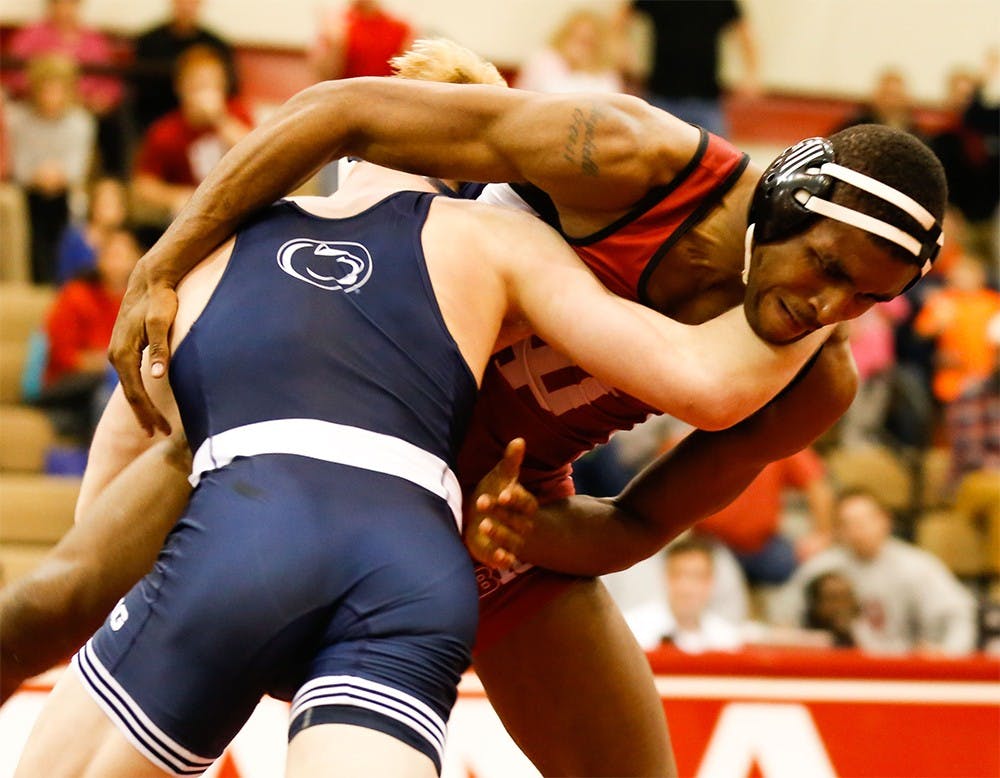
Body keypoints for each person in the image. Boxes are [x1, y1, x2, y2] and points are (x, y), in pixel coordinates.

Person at [44, 56, 950, 775]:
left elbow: (639, 521)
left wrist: (531, 529)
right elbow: (338, 112)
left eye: (868, 300)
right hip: (330, 431)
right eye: (827, 268)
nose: (827, 308)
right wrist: (160, 264)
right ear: (787, 200)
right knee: (64, 601)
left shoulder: (815, 379)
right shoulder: (630, 157)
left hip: (482, 519)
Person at [776, 489, 977, 654]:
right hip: (842, 668)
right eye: (848, 524)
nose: (857, 530)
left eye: (864, 522)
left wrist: (949, 652)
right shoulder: (822, 567)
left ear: (884, 521)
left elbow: (958, 615)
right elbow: (783, 615)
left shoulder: (917, 566)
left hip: (904, 667)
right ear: (839, 530)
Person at [36, 228, 139, 442]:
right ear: (99, 259)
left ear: (137, 259)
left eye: (123, 255)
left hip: (119, 383)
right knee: (107, 395)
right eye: (112, 254)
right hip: (69, 388)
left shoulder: (141, 302)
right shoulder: (75, 295)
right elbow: (63, 357)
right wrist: (109, 362)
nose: (117, 263)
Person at [132, 45, 253, 228]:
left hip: (238, 205)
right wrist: (177, 196)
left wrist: (219, 120)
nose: (206, 94)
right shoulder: (165, 131)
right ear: (181, 87)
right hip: (188, 215)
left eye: (214, 85)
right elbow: (143, 186)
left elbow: (257, 152)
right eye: (198, 86)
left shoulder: (237, 114)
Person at [6, 0, 126, 175]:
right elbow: (13, 78)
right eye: (60, 4)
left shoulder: (93, 40)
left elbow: (111, 85)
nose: (65, 10)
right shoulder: (31, 35)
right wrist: (43, 92)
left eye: (71, 4)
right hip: (37, 106)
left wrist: (101, 99)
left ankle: (111, 183)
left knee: (113, 125)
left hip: (83, 108)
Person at [6, 54, 95, 285]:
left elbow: (78, 168)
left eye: (58, 89)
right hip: (29, 191)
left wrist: (58, 175)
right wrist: (39, 176)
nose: (52, 95)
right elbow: (18, 166)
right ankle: (30, 279)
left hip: (65, 191)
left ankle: (63, 279)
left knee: (71, 205)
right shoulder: (18, 120)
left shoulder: (81, 122)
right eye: (46, 88)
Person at [693, 446, 834, 585]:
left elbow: (818, 485)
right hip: (709, 547)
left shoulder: (778, 442)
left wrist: (822, 534)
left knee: (817, 569)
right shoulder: (690, 444)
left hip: (763, 548)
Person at [627, 0, 760, 136]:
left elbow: (744, 32)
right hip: (662, 96)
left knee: (717, 155)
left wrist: (751, 75)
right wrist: (625, 52)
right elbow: (625, 16)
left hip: (707, 101)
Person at [132, 0, 238, 133]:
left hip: (208, 121)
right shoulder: (149, 42)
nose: (187, 6)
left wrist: (218, 117)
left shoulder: (217, 45)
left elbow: (232, 90)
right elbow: (140, 91)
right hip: (158, 118)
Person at [623, 536, 744, 652]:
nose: (687, 588)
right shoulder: (633, 631)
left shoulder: (727, 640)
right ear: (665, 577)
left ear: (711, 582)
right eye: (678, 575)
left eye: (697, 576)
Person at [516, 9, 624, 95]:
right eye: (577, 38)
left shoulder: (605, 71)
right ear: (563, 36)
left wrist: (582, 68)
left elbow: (611, 103)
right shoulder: (543, 59)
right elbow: (553, 97)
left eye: (588, 42)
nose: (581, 48)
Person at [56, 175, 129, 284]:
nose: (110, 210)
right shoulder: (74, 239)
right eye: (105, 203)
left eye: (115, 203)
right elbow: (63, 279)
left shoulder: (129, 242)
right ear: (93, 205)